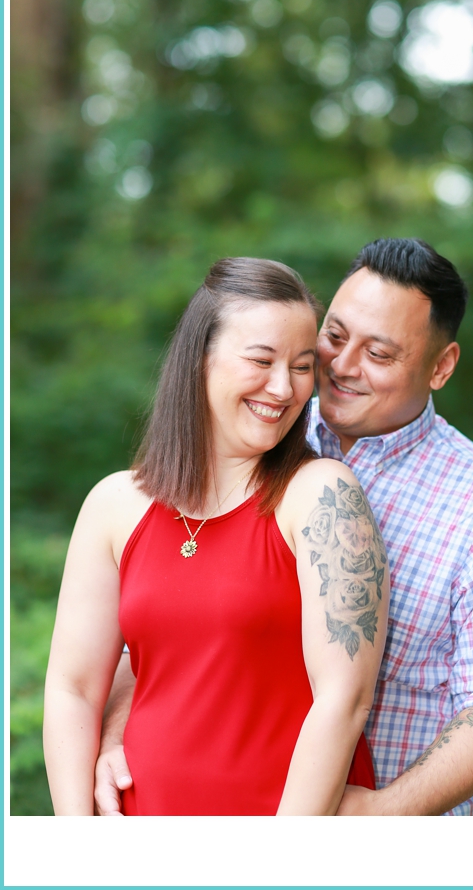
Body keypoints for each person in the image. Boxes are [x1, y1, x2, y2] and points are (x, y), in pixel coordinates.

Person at [95, 239, 473, 816]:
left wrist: (384, 812)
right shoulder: (256, 431)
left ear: (440, 366)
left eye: (380, 354)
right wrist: (119, 729)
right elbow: (165, 615)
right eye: (336, 336)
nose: (342, 366)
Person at [44, 258, 388, 815]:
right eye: (261, 360)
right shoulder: (114, 505)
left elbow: (343, 699)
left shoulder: (323, 496)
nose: (284, 387)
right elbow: (73, 689)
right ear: (199, 359)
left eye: (303, 366)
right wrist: (79, 848)